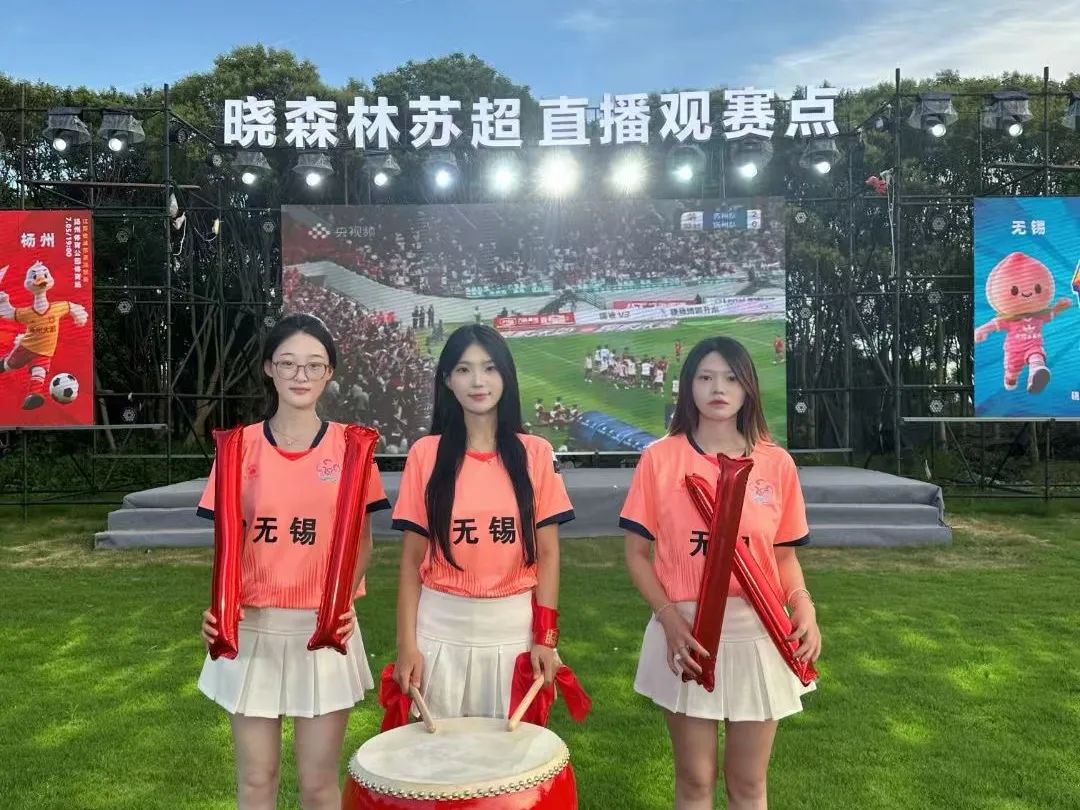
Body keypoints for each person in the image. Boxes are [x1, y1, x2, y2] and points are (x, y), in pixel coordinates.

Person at [197, 314, 391, 810]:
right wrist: (219, 609)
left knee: (318, 784)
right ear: (269, 369)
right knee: (256, 779)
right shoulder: (237, 448)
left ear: (329, 373)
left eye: (314, 365)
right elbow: (229, 543)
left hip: (323, 631)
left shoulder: (352, 448)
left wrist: (341, 603)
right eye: (288, 363)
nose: (300, 375)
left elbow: (363, 543)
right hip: (253, 629)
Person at [621, 336, 820, 810]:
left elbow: (784, 556)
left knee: (748, 783)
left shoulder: (775, 463)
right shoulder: (660, 458)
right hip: (687, 634)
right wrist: (669, 620)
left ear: (748, 387)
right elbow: (636, 554)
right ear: (688, 386)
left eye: (731, 378)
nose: (718, 388)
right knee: (695, 779)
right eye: (705, 377)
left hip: (759, 630)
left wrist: (804, 606)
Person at [391, 324, 575, 719]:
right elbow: (411, 562)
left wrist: (545, 637)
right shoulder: (425, 454)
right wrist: (407, 645)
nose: (478, 381)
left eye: (490, 368)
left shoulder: (536, 454)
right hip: (438, 632)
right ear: (447, 380)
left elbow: (548, 554)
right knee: (439, 756)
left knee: (508, 756)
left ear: (506, 375)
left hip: (514, 634)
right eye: (464, 369)